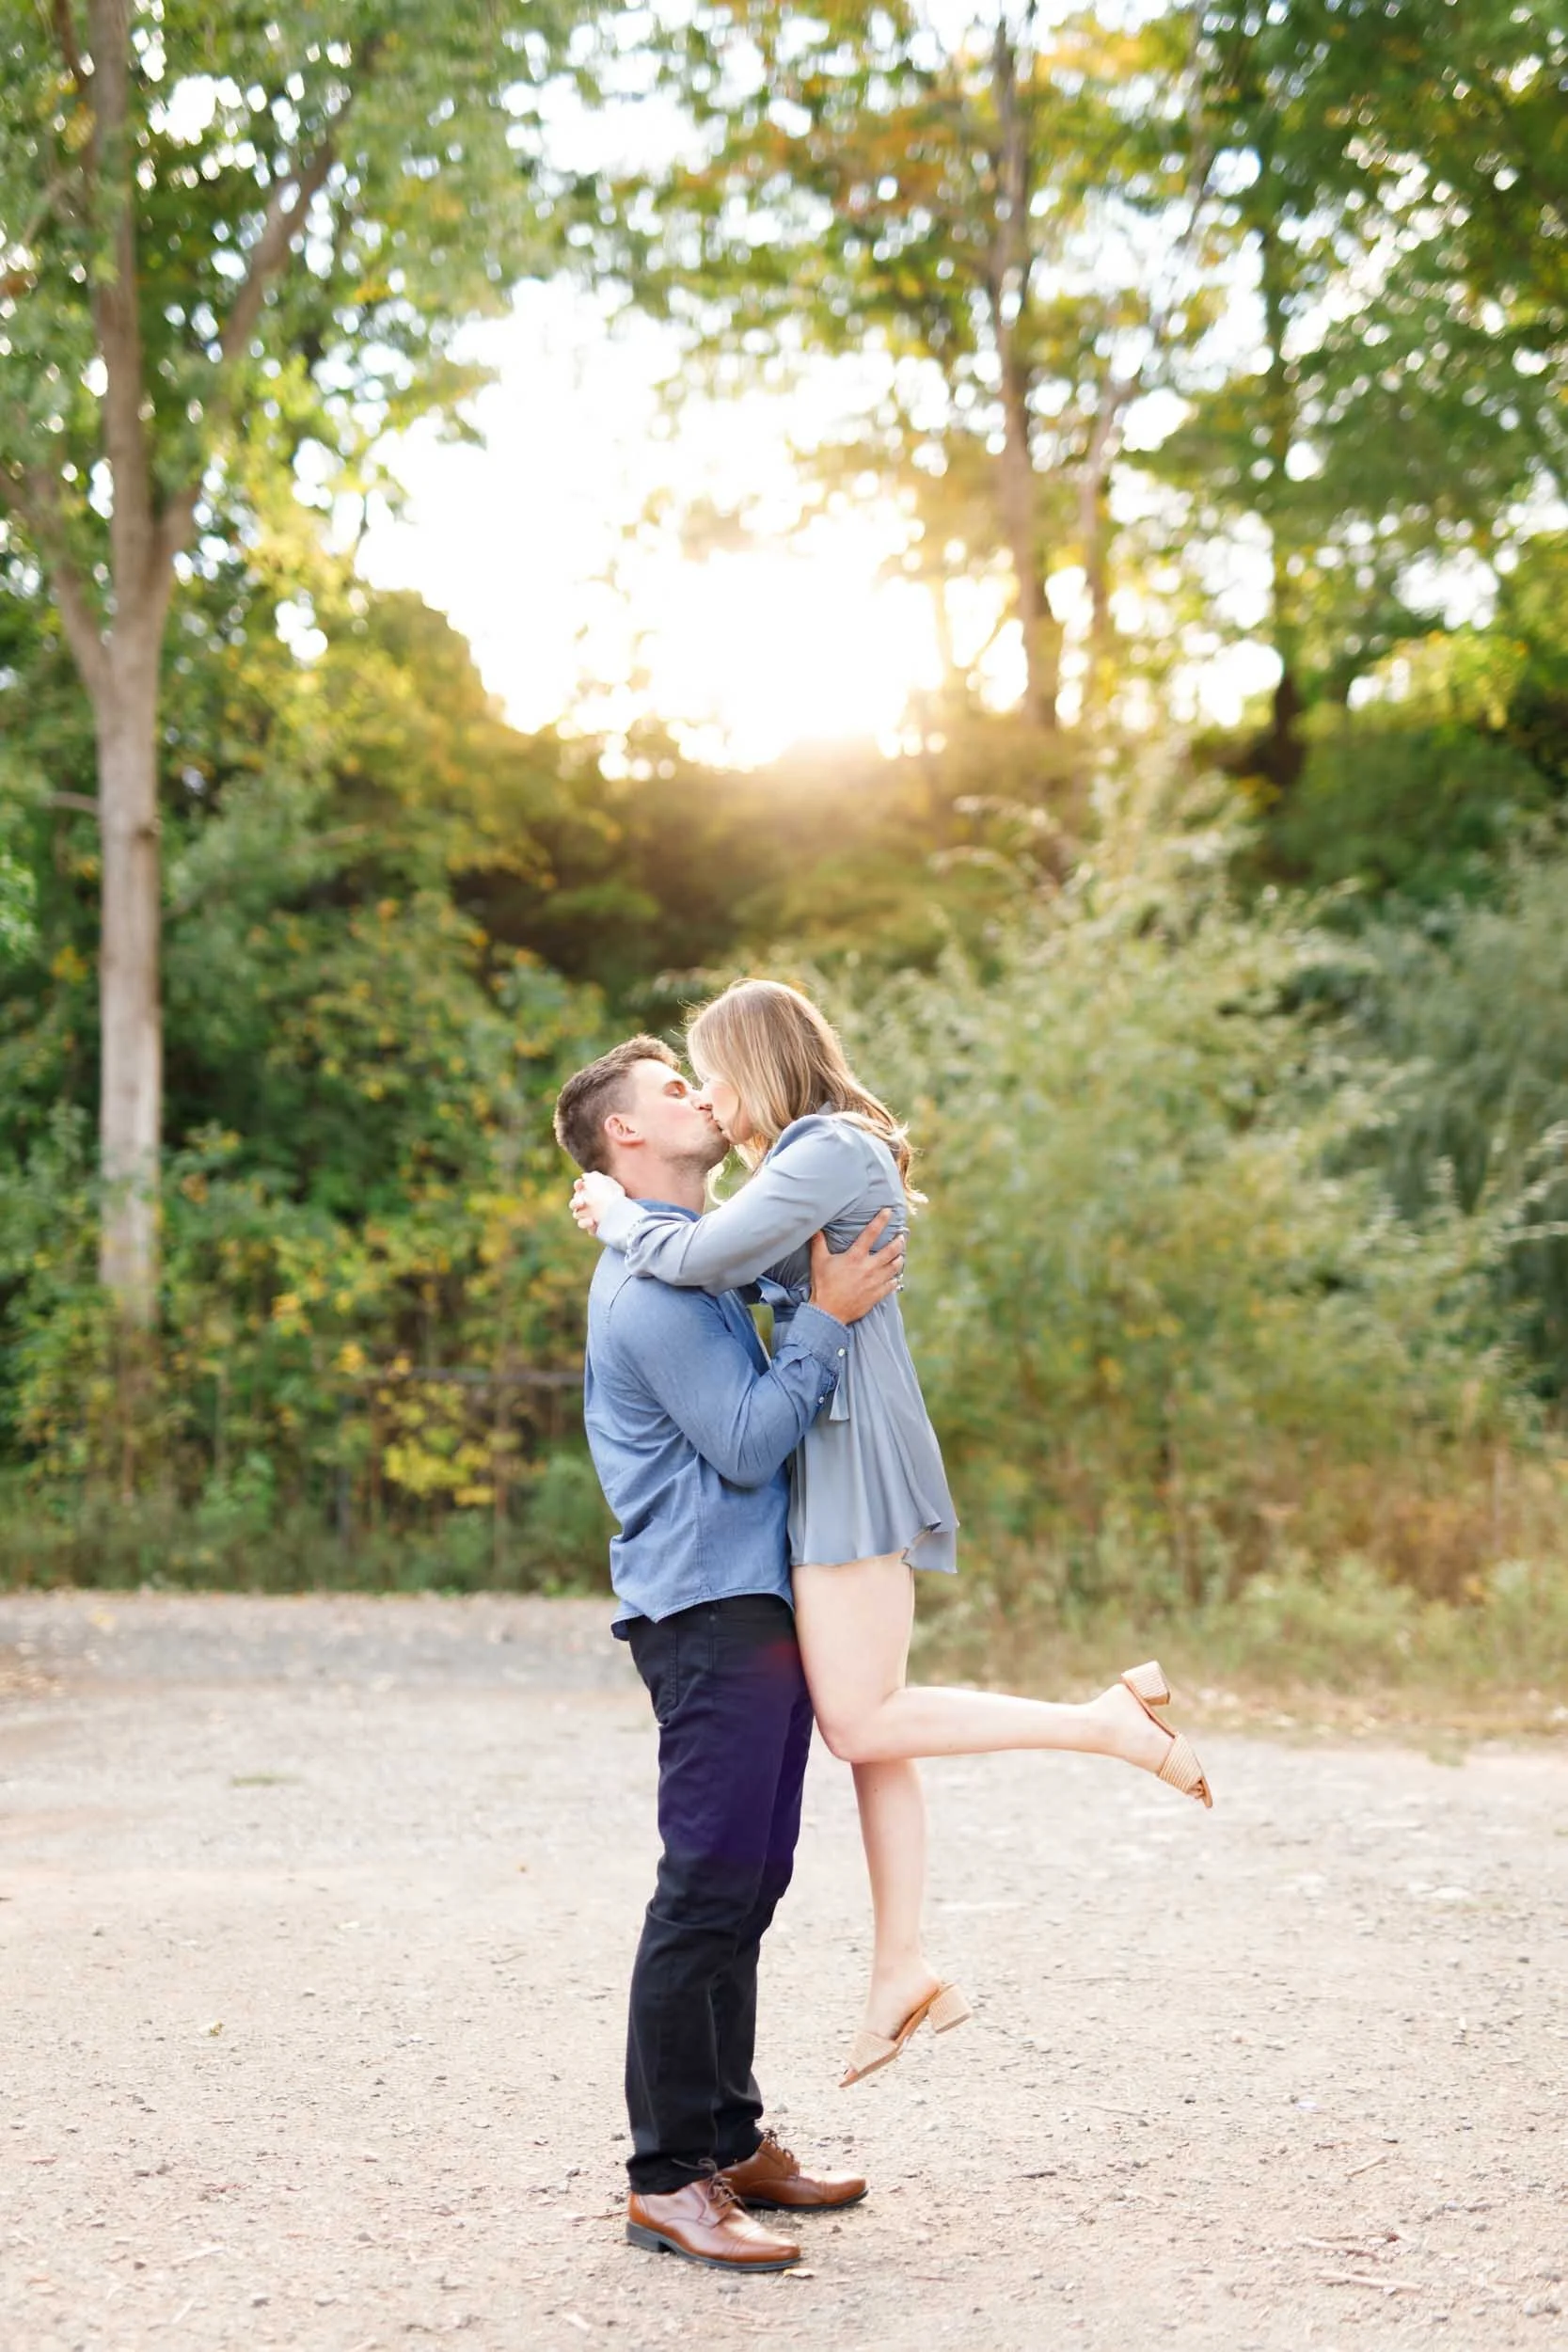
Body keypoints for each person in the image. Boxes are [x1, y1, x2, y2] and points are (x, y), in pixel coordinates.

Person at [572, 978, 1212, 2091]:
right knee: (869, 1725)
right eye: (682, 1082)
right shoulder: (804, 1161)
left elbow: (693, 1259)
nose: (710, 1097)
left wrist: (621, 1217)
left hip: (848, 1450)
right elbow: (722, 1273)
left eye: (708, 1069)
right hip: (835, 1447)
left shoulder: (821, 1149)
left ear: (757, 1056)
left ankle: (1103, 1722)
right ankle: (899, 1963)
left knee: (862, 1720)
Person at [553, 1034, 902, 2274]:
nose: (699, 1098)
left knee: (749, 1882)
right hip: (704, 1612)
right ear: (624, 1140)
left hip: (749, 1602)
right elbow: (750, 1445)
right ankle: (664, 2178)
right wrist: (826, 1319)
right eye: (670, 1091)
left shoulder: (698, 1263)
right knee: (703, 1886)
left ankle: (730, 2136)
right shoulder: (650, 1291)